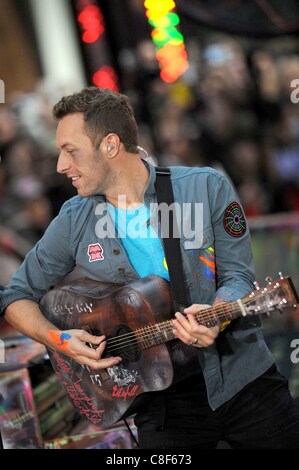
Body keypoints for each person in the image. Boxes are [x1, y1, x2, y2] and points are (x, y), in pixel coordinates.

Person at [1, 86, 299, 449]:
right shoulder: (73, 219)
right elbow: (16, 295)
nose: (61, 166)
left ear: (110, 145)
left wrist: (218, 316)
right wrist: (61, 340)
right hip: (159, 403)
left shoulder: (205, 188)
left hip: (245, 380)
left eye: (70, 151)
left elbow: (238, 276)